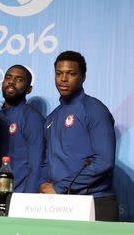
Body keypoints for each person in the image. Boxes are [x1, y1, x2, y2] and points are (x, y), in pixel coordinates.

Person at [40, 51, 118, 221]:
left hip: (95, 202)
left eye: (71, 74)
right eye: (59, 73)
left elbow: (104, 161)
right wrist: (44, 183)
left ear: (83, 77)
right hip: (59, 204)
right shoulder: (51, 118)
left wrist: (60, 187)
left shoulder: (94, 109)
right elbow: (47, 160)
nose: (63, 79)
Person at [0, 65, 44, 193]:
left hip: (19, 198)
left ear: (29, 89)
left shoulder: (32, 118)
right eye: (8, 77)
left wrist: (27, 200)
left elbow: (36, 166)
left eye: (19, 79)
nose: (11, 81)